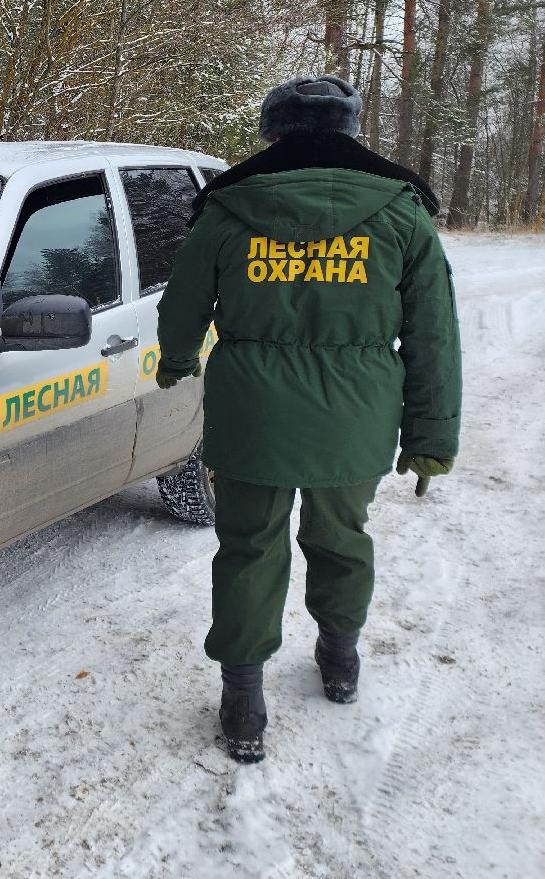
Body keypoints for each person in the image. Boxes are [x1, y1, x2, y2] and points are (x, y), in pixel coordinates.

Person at [154, 75, 462, 764]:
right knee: (342, 538)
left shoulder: (229, 207)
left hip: (252, 417)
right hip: (355, 418)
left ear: (274, 133)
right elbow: (434, 334)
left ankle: (243, 701)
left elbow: (184, 298)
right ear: (349, 131)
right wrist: (432, 436)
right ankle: (340, 659)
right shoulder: (401, 212)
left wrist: (176, 356)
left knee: (248, 547)